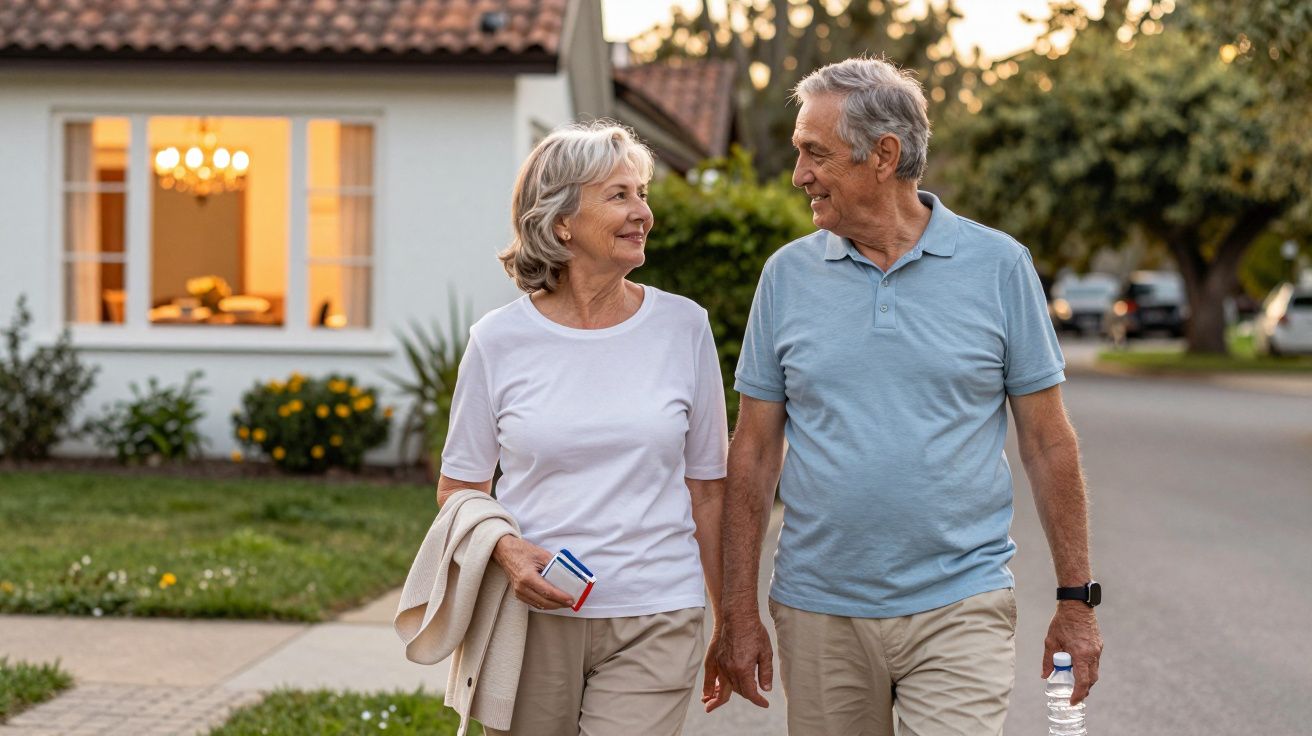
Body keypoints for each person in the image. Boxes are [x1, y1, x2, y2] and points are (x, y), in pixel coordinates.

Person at [709, 58, 1104, 735]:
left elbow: (1047, 443)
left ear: (883, 156)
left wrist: (1077, 600)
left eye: (816, 153)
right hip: (819, 609)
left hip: (961, 603)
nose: (800, 173)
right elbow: (753, 452)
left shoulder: (999, 267)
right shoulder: (786, 278)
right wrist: (737, 610)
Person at [438, 121, 729, 736]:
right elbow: (459, 487)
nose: (642, 212)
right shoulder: (498, 340)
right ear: (561, 221)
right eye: (619, 195)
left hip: (658, 609)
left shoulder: (684, 328)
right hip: (531, 613)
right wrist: (509, 554)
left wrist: (731, 621)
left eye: (642, 194)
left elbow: (709, 487)